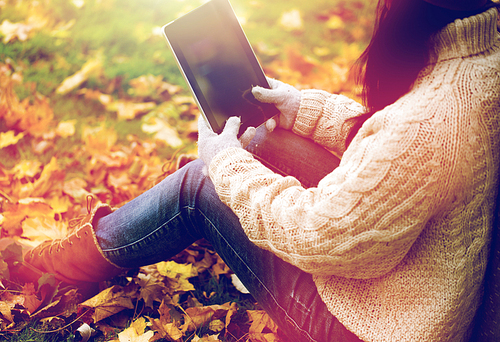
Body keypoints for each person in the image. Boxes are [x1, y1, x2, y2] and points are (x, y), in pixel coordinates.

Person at [16, 0, 500, 341]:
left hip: (375, 325)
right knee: (260, 137)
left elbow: (326, 236)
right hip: (416, 286)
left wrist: (226, 168)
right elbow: (391, 145)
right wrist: (297, 106)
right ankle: (144, 219)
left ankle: (57, 267)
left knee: (201, 185)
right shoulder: (482, 60)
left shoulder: (431, 122)